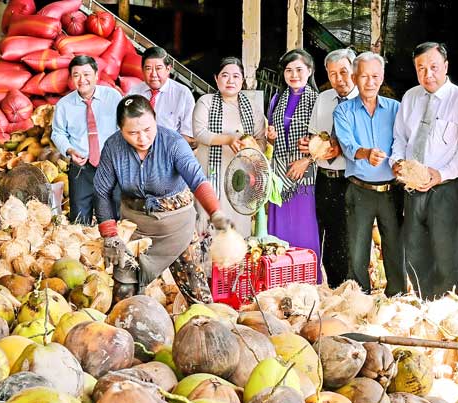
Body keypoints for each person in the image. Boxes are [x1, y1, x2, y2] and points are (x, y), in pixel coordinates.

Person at [94, 96, 231, 303]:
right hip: (135, 229)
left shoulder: (173, 143)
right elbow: (102, 191)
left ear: (155, 119)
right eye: (132, 133)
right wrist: (110, 235)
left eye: (148, 129)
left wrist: (216, 212)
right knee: (124, 298)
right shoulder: (113, 147)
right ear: (120, 129)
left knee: (198, 297)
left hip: (177, 229)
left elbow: (197, 180)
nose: (142, 138)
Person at [390, 41, 458, 300]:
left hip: (445, 188)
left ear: (446, 66)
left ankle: (445, 305)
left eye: (434, 67)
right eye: (421, 68)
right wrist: (397, 163)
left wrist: (440, 174)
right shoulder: (410, 97)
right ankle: (422, 301)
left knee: (446, 251)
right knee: (415, 249)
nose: (428, 74)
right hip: (412, 187)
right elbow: (400, 138)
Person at [334, 51, 405, 296]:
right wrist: (365, 153)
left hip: (391, 190)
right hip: (359, 189)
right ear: (354, 78)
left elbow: (403, 141)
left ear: (382, 77)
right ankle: (360, 299)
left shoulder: (396, 109)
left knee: (395, 247)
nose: (370, 82)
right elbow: (347, 145)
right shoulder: (343, 111)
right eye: (364, 76)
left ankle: (397, 297)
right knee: (357, 250)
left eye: (375, 76)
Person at [300, 48, 358, 286]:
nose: (339, 79)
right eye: (333, 74)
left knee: (348, 239)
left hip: (351, 179)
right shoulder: (323, 99)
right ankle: (333, 288)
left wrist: (341, 149)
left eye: (344, 72)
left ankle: (352, 289)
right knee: (327, 238)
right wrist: (309, 145)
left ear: (354, 70)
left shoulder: (364, 99)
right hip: (325, 178)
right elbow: (315, 135)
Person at [192, 56, 266, 237]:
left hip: (241, 176)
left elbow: (261, 141)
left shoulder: (252, 107)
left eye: (236, 76)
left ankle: (236, 262)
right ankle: (209, 264)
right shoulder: (206, 101)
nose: (230, 80)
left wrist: (253, 148)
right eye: (225, 75)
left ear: (242, 80)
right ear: (216, 79)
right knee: (208, 219)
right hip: (210, 174)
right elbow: (199, 133)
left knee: (238, 224)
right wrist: (228, 140)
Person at [51, 55, 122, 224]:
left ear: (96, 75)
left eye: (86, 74)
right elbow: (58, 133)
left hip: (111, 165)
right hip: (81, 167)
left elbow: (123, 127)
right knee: (79, 218)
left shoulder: (113, 97)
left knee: (113, 216)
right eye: (76, 75)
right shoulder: (64, 105)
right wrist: (69, 150)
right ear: (71, 79)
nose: (82, 80)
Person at [266, 49, 321, 261]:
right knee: (280, 236)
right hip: (279, 176)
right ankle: (280, 279)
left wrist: (307, 160)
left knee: (304, 231)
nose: (294, 75)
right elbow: (272, 136)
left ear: (310, 70)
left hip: (305, 178)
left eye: (299, 69)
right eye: (289, 70)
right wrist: (271, 137)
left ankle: (307, 280)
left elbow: (327, 140)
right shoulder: (277, 99)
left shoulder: (318, 100)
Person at [129, 46, 195, 145]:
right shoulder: (134, 92)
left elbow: (189, 135)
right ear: (142, 70)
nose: (153, 74)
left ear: (168, 69)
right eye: (148, 69)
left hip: (169, 152)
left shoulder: (182, 94)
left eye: (158, 68)